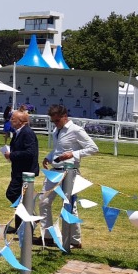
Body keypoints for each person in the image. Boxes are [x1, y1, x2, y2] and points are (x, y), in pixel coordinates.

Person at [40, 104, 98, 248]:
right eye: (53, 121)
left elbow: (93, 148)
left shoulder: (76, 130)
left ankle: (74, 240)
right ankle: (47, 237)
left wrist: (73, 154)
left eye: (57, 120)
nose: (55, 123)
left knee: (69, 205)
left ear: (65, 117)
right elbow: (58, 149)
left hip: (70, 172)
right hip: (55, 171)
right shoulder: (56, 130)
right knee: (43, 201)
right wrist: (48, 157)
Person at [4, 110, 39, 231]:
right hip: (18, 170)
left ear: (20, 122)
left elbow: (30, 153)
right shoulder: (18, 132)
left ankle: (31, 215)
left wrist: (12, 155)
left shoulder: (27, 133)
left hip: (26, 172)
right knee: (20, 197)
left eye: (13, 119)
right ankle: (20, 227)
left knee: (12, 194)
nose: (10, 121)